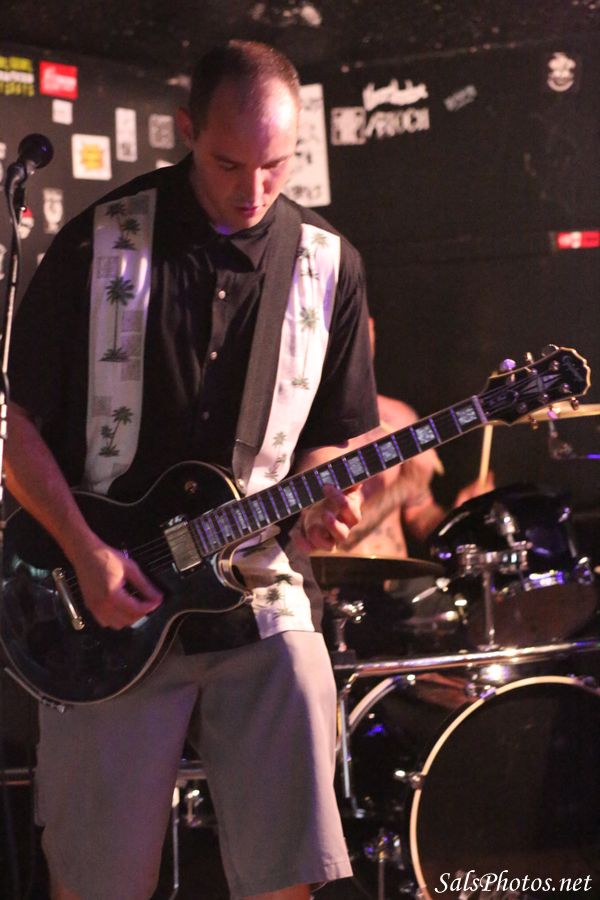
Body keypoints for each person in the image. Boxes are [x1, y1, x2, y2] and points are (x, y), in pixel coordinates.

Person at [6, 41, 380, 900]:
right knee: (97, 882)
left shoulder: (331, 264)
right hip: (106, 602)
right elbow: (11, 422)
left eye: (276, 165)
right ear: (185, 131)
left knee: (292, 863)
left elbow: (332, 438)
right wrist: (85, 554)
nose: (253, 190)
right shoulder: (99, 242)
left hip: (258, 590)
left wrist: (327, 494)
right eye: (228, 163)